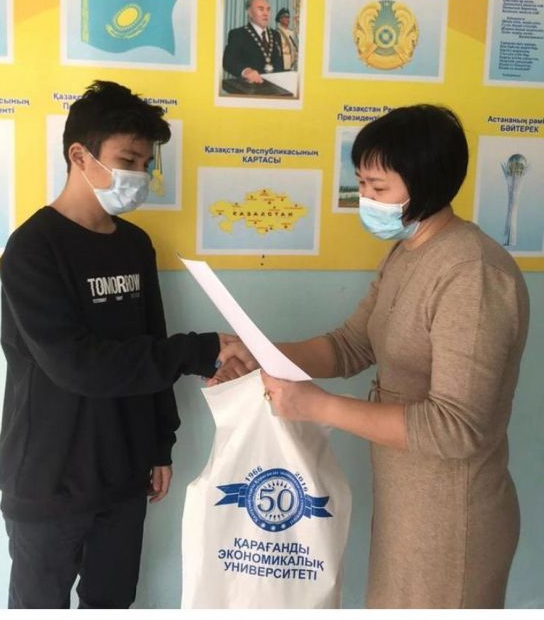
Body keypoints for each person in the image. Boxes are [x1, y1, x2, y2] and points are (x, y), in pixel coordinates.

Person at [216, 104, 530, 609]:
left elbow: (456, 427)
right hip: (405, 502)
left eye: (378, 188)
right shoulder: (408, 251)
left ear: (426, 184)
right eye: (361, 183)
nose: (364, 199)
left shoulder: (472, 273)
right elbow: (352, 344)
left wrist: (316, 406)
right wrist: (261, 354)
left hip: (453, 517)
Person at [0, 81, 245, 609]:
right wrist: (198, 351)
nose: (139, 175)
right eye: (128, 160)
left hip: (124, 474)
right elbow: (78, 365)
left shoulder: (134, 244)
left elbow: (149, 343)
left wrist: (159, 445)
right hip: (49, 478)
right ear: (79, 156)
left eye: (146, 164)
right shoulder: (33, 249)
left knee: (111, 603)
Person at [222, 0, 284, 83]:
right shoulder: (238, 34)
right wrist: (245, 71)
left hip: (275, 86)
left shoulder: (276, 35)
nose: (266, 13)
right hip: (249, 87)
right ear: (250, 13)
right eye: (261, 9)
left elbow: (280, 64)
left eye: (268, 9)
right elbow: (228, 62)